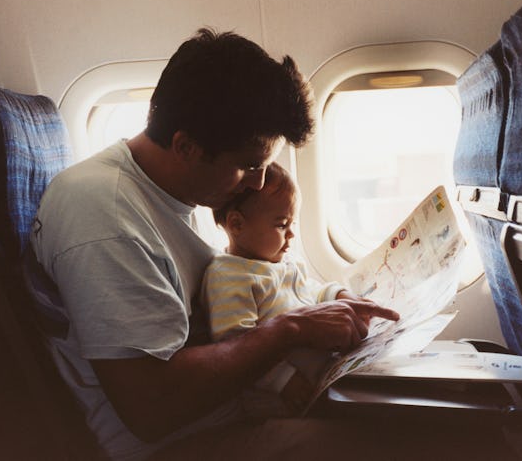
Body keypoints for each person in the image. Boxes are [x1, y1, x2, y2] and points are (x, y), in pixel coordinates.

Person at [28, 27, 399, 460]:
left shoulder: (176, 197)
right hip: (178, 443)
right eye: (248, 167)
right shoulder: (104, 215)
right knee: (381, 444)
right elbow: (151, 408)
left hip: (230, 412)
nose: (258, 183)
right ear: (186, 146)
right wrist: (290, 330)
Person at [202, 162, 388, 416]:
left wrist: (338, 295)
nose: (291, 235)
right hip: (277, 402)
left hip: (319, 380)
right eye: (281, 225)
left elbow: (308, 291)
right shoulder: (229, 276)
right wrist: (283, 380)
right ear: (236, 224)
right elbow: (236, 346)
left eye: (293, 224)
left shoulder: (283, 262)